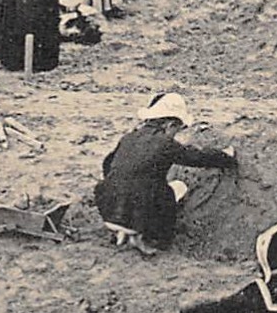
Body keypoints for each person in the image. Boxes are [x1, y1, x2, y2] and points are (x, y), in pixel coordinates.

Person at [94, 92, 238, 255]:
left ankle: (126, 232)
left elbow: (107, 164)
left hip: (107, 209)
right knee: (170, 191)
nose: (176, 135)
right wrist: (226, 156)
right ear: (169, 125)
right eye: (177, 130)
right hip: (137, 213)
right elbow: (197, 157)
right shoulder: (165, 143)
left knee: (138, 186)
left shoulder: (128, 137)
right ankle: (151, 239)